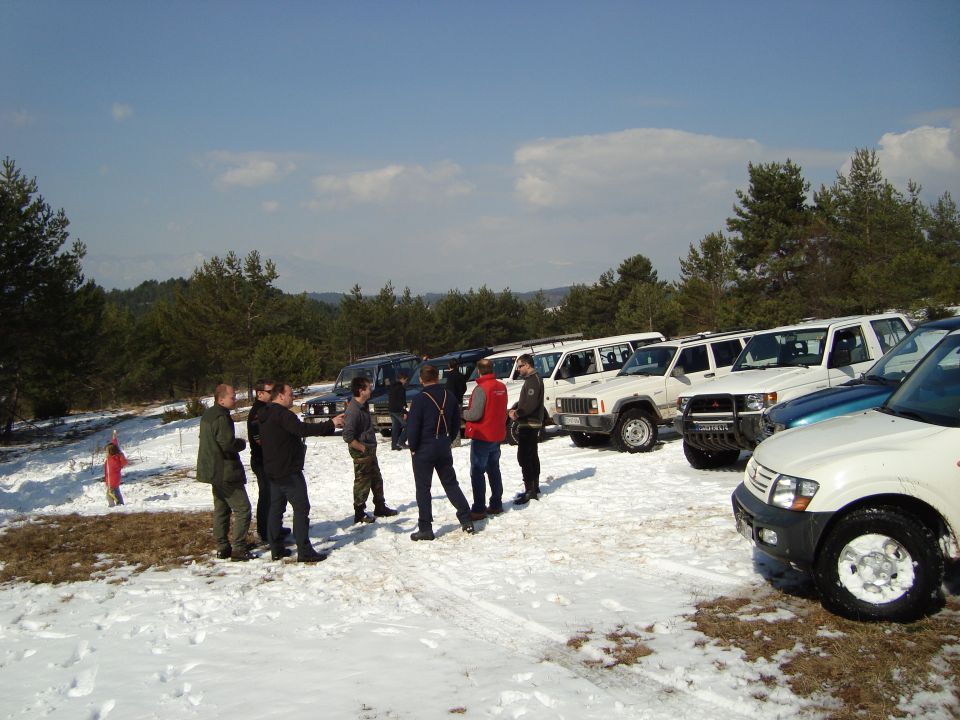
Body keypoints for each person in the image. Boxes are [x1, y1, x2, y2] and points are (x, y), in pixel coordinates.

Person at [259, 382, 343, 562]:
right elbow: (303, 429)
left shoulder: (265, 414)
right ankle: (304, 551)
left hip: (273, 470)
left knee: (276, 509)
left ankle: (276, 548)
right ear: (280, 396)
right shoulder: (283, 415)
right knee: (301, 509)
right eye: (290, 394)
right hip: (288, 471)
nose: (293, 397)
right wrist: (331, 423)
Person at [406, 364, 474, 541]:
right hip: (443, 445)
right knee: (451, 484)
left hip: (423, 448)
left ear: (421, 379)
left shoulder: (419, 399)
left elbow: (413, 428)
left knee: (423, 489)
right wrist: (447, 440)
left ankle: (425, 528)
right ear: (438, 377)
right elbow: (454, 422)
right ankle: (466, 518)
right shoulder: (448, 396)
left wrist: (412, 447)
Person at [197, 384, 253, 561]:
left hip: (212, 470)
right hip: (225, 471)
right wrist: (241, 444)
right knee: (243, 509)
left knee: (221, 509)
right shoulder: (221, 417)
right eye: (232, 397)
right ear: (221, 399)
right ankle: (238, 548)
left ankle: (222, 547)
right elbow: (227, 444)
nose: (235, 400)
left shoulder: (209, 414)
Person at [343, 377, 399, 523]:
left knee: (376, 479)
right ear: (361, 391)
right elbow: (347, 435)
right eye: (368, 388)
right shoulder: (353, 410)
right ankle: (359, 512)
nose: (371, 390)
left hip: (370, 450)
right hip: (361, 452)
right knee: (362, 482)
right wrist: (361, 447)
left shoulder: (364, 405)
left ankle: (380, 507)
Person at [462, 358, 508, 519]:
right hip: (497, 433)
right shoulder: (501, 386)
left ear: (478, 370)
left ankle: (479, 507)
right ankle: (496, 503)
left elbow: (475, 414)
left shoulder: (481, 388)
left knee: (477, 471)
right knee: (494, 468)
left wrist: (463, 414)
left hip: (483, 435)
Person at [247, 378, 289, 545]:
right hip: (261, 460)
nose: (273, 394)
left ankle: (274, 527)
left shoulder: (267, 409)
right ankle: (264, 531)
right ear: (260, 394)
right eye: (270, 391)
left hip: (270, 460)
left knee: (276, 496)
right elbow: (260, 440)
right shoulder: (257, 413)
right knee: (267, 496)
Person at [508, 354, 544, 505]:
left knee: (524, 456)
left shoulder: (533, 381)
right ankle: (534, 487)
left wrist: (516, 413)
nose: (518, 369)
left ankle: (530, 490)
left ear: (528, 365)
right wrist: (515, 408)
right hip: (528, 423)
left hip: (530, 423)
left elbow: (530, 405)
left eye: (520, 366)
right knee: (531, 455)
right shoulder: (531, 380)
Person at [445, 360, 468, 447]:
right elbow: (464, 388)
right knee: (457, 421)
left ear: (449, 365)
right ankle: (457, 441)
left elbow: (448, 389)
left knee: (450, 421)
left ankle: (453, 441)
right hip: (459, 400)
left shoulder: (449, 376)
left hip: (451, 401)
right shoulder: (461, 375)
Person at [104, 431, 128, 507]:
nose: (106, 453)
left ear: (110, 452)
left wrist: (109, 483)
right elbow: (115, 445)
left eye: (107, 451)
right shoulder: (112, 457)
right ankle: (118, 504)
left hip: (112, 480)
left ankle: (117, 505)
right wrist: (114, 437)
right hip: (112, 480)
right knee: (114, 493)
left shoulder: (114, 458)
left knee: (110, 494)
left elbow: (123, 462)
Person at [388, 372, 409, 451]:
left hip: (391, 410)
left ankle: (394, 445)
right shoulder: (401, 388)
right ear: (402, 379)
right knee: (408, 425)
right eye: (405, 380)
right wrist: (404, 412)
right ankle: (401, 441)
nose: (406, 382)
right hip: (398, 410)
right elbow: (401, 401)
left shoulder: (392, 386)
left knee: (395, 427)